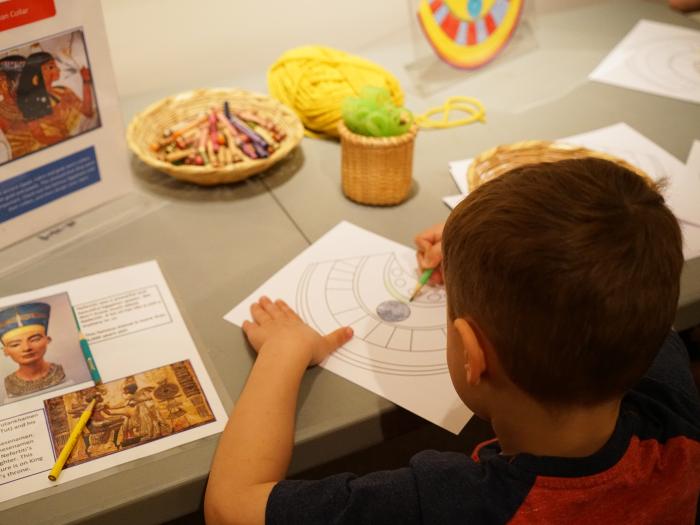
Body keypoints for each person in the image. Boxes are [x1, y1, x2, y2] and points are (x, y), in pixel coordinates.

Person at [204, 158, 700, 524]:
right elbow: (613, 258)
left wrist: (283, 352)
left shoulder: (448, 505)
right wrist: (493, 254)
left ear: (473, 354)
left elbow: (231, 506)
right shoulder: (676, 416)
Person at [16, 51, 94, 146]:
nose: (58, 69)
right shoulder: (29, 102)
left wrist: (86, 81)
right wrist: (66, 141)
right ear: (38, 72)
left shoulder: (62, 90)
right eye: (51, 67)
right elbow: (40, 137)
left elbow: (88, 112)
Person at [0, 302, 66, 398]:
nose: (26, 348)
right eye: (15, 344)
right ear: (5, 351)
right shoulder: (10, 383)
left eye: (34, 339)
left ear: (47, 340)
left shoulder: (58, 371)